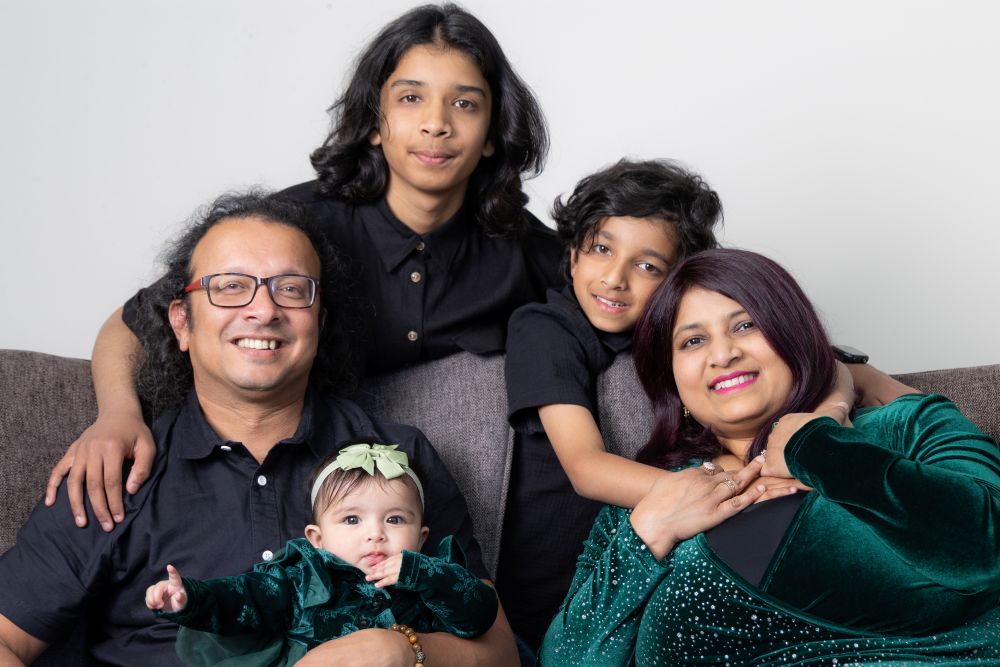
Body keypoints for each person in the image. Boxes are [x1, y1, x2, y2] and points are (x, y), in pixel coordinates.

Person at [45, 2, 562, 535]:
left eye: (465, 103)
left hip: (399, 510)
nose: (436, 123)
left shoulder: (518, 248)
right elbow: (134, 323)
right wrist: (117, 416)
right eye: (410, 98)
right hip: (272, 469)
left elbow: (630, 299)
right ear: (375, 124)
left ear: (494, 132)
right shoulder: (296, 228)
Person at [0, 191, 517, 666]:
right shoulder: (118, 469)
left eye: (291, 289)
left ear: (320, 321)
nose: (264, 310)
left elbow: (498, 651)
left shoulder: (397, 455)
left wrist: (401, 650)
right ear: (182, 323)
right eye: (230, 287)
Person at [539, 248, 1000, 665]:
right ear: (674, 383)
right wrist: (649, 533)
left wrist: (815, 446)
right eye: (693, 341)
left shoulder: (909, 425)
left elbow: (986, 547)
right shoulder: (647, 503)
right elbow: (565, 660)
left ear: (794, 336)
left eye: (745, 325)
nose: (723, 354)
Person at [497, 158, 727, 650]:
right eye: (602, 249)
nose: (615, 278)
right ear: (575, 256)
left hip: (651, 585)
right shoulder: (545, 327)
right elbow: (587, 468)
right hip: (553, 609)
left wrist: (848, 369)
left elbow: (781, 348)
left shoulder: (677, 336)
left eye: (647, 265)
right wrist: (726, 495)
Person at [145, 442, 498, 666]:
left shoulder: (432, 577)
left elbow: (478, 617)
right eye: (351, 519)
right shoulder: (301, 578)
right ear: (317, 537)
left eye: (394, 519)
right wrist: (190, 597)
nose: (375, 533)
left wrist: (423, 574)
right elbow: (244, 597)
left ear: (421, 538)